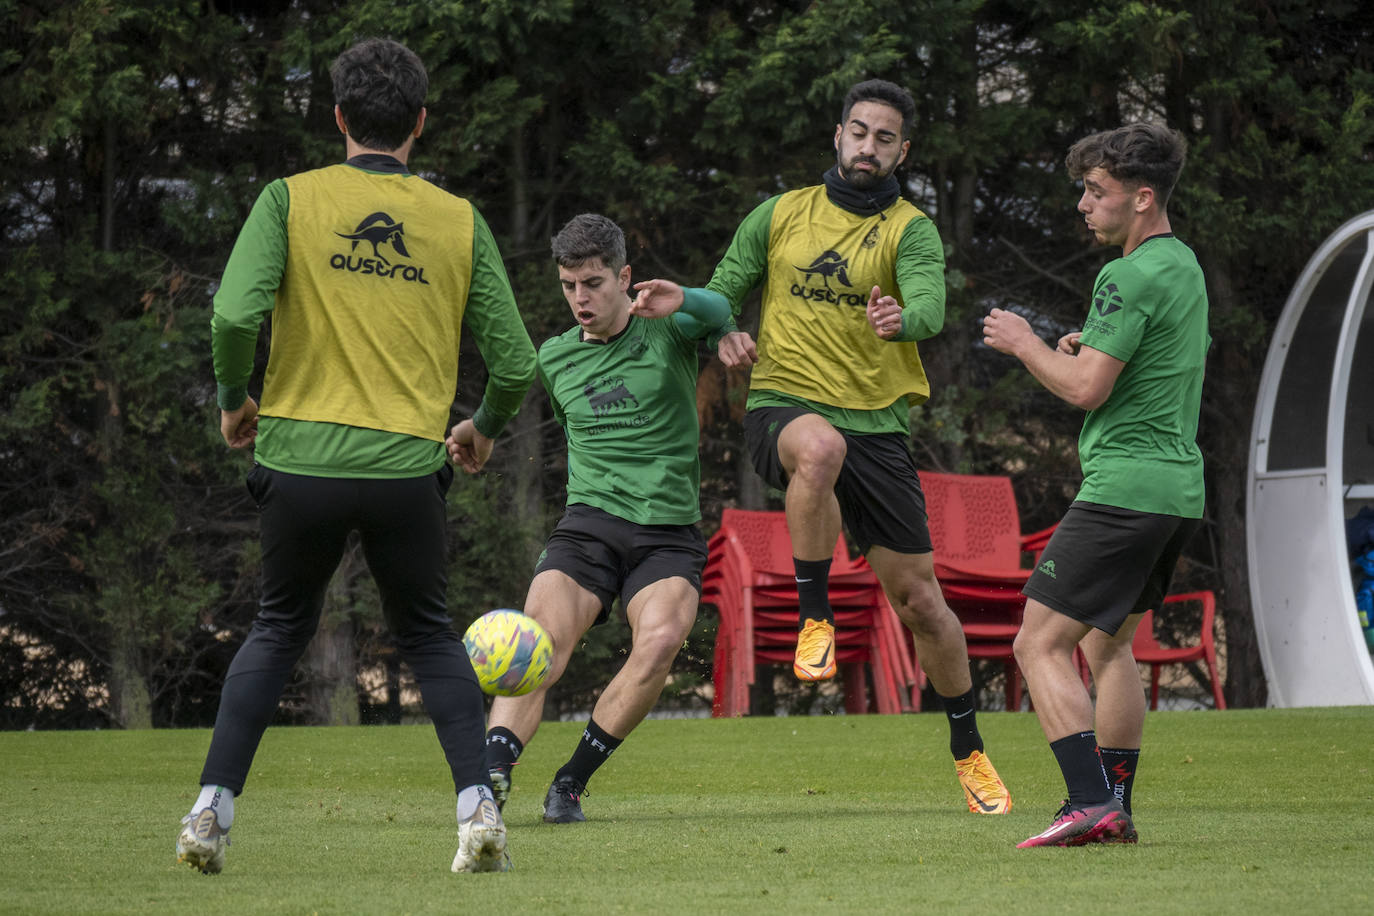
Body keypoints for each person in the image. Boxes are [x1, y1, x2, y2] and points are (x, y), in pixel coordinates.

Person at [176, 38, 536, 875]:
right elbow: (517, 363)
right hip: (409, 471)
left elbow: (232, 317)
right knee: (431, 639)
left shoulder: (289, 200)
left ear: (337, 118)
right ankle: (478, 809)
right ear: (420, 122)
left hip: (299, 465)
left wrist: (236, 400)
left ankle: (209, 812)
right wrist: (480, 428)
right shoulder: (458, 219)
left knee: (275, 629)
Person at [696, 78, 1011, 814]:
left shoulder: (912, 230)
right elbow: (720, 289)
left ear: (905, 149)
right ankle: (816, 617)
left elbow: (931, 302)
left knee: (923, 604)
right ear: (837, 135)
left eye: (885, 137)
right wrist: (724, 331)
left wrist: (905, 317)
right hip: (785, 405)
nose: (869, 146)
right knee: (819, 450)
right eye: (858, 131)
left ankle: (969, 753)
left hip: (880, 426)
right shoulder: (780, 215)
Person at [981, 123, 1208, 847]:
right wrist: (1080, 348)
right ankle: (1118, 809)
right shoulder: (1183, 266)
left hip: (1125, 488)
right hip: (1175, 492)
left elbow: (1083, 390)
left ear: (1142, 199)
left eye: (1096, 191)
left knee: (1036, 645)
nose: (1083, 204)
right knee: (1109, 649)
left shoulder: (1127, 274)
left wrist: (1027, 344)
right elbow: (1142, 366)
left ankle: (1088, 801)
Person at [470, 213, 729, 823]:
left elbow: (720, 314)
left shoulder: (667, 330)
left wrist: (683, 297)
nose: (580, 299)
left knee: (662, 639)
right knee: (536, 643)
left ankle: (570, 782)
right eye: (569, 286)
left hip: (667, 533)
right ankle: (492, 774)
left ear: (624, 277)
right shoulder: (556, 359)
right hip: (588, 526)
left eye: (593, 283)